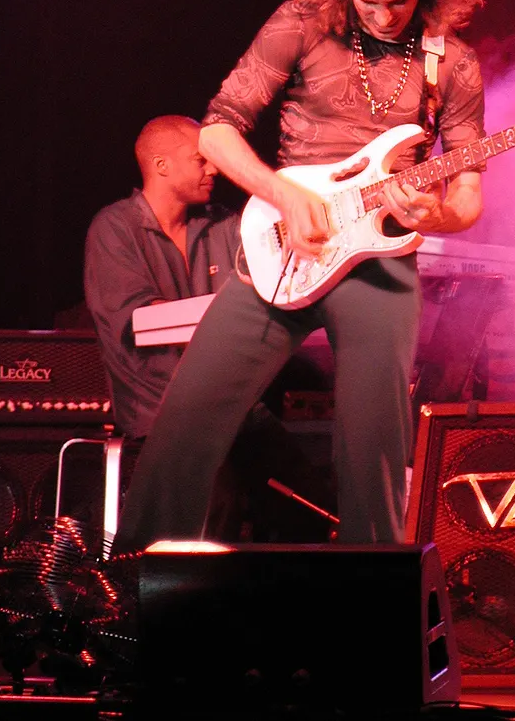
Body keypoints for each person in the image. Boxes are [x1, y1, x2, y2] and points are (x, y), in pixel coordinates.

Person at [111, 0, 487, 555]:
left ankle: (369, 614)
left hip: (378, 260)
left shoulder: (450, 62)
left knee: (373, 447)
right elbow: (218, 130)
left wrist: (447, 213)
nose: (381, 14)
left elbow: (469, 188)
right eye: (368, 0)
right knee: (186, 426)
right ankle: (131, 599)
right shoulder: (304, 23)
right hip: (284, 246)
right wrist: (279, 191)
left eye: (397, 2)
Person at [85, 114, 332, 542]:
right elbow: (142, 321)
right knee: (216, 507)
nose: (214, 168)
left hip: (239, 412)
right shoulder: (114, 228)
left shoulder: (223, 225)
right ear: (162, 166)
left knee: (311, 507)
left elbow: (278, 275)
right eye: (200, 160)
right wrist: (240, 314)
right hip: (162, 415)